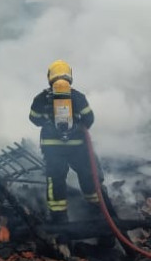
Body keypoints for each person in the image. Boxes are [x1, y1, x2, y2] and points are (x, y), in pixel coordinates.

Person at [29, 60, 99, 224]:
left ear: (50, 76)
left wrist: (47, 122)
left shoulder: (40, 98)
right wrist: (77, 127)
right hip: (77, 147)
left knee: (56, 178)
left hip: (52, 148)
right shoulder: (78, 96)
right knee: (87, 175)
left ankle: (59, 218)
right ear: (70, 75)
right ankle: (96, 211)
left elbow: (33, 119)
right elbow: (89, 118)